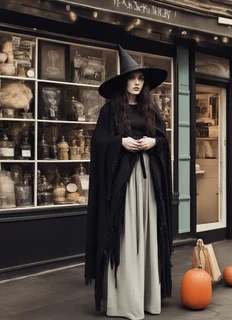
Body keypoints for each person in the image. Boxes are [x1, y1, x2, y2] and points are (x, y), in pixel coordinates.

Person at [85, 45, 172, 320]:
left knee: (147, 233)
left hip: (148, 181)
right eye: (132, 78)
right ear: (123, 81)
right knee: (124, 233)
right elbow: (98, 142)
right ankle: (126, 300)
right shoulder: (110, 110)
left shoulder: (150, 109)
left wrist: (153, 141)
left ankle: (147, 296)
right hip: (122, 181)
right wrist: (119, 142)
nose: (137, 83)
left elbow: (163, 140)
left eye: (141, 79)